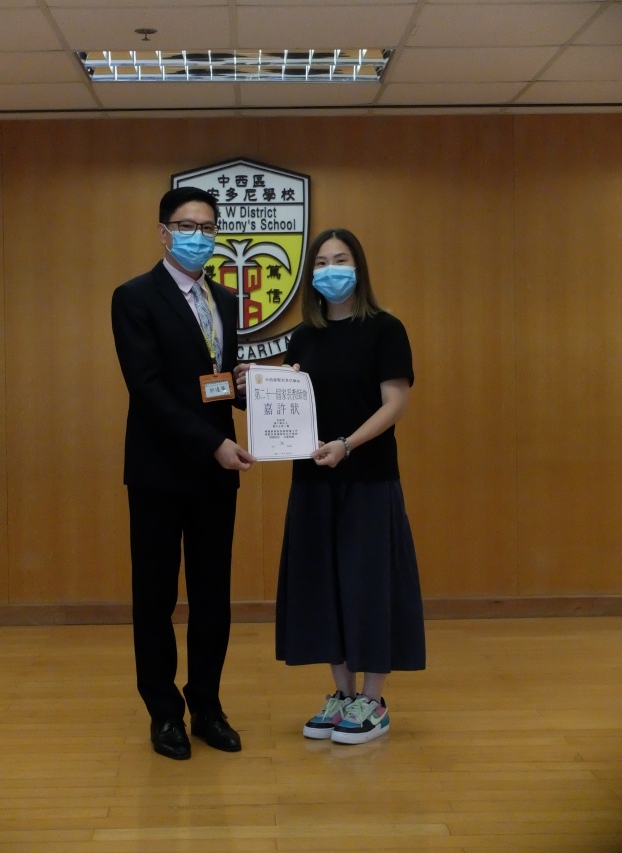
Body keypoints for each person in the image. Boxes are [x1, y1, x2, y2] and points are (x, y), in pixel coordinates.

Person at [111, 186, 255, 761]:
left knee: (213, 596)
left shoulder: (225, 299)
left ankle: (208, 706)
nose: (199, 235)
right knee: (155, 598)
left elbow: (214, 382)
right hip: (159, 472)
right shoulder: (134, 297)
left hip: (216, 475)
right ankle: (164, 712)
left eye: (208, 226)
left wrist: (246, 387)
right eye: (187, 225)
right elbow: (147, 388)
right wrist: (213, 442)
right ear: (163, 232)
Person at [275, 228, 426, 745]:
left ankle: (373, 700)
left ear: (358, 267)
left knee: (368, 584)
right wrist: (261, 384)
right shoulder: (303, 336)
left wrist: (346, 444)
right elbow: (289, 403)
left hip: (368, 477)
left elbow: (395, 404)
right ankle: (342, 694)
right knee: (324, 584)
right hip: (312, 479)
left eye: (340, 260)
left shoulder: (385, 329)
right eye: (321, 262)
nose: (330, 270)